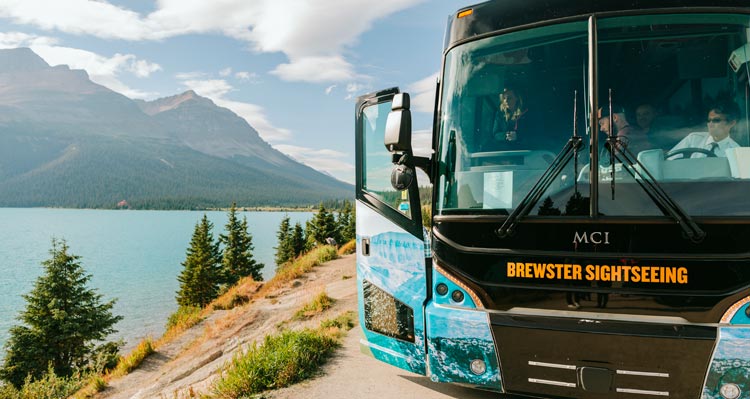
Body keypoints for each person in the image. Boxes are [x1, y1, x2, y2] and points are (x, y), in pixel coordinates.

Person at [668, 103, 740, 158]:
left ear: (731, 123)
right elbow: (669, 161)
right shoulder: (693, 139)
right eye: (709, 120)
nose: (710, 124)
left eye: (716, 120)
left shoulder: (736, 151)